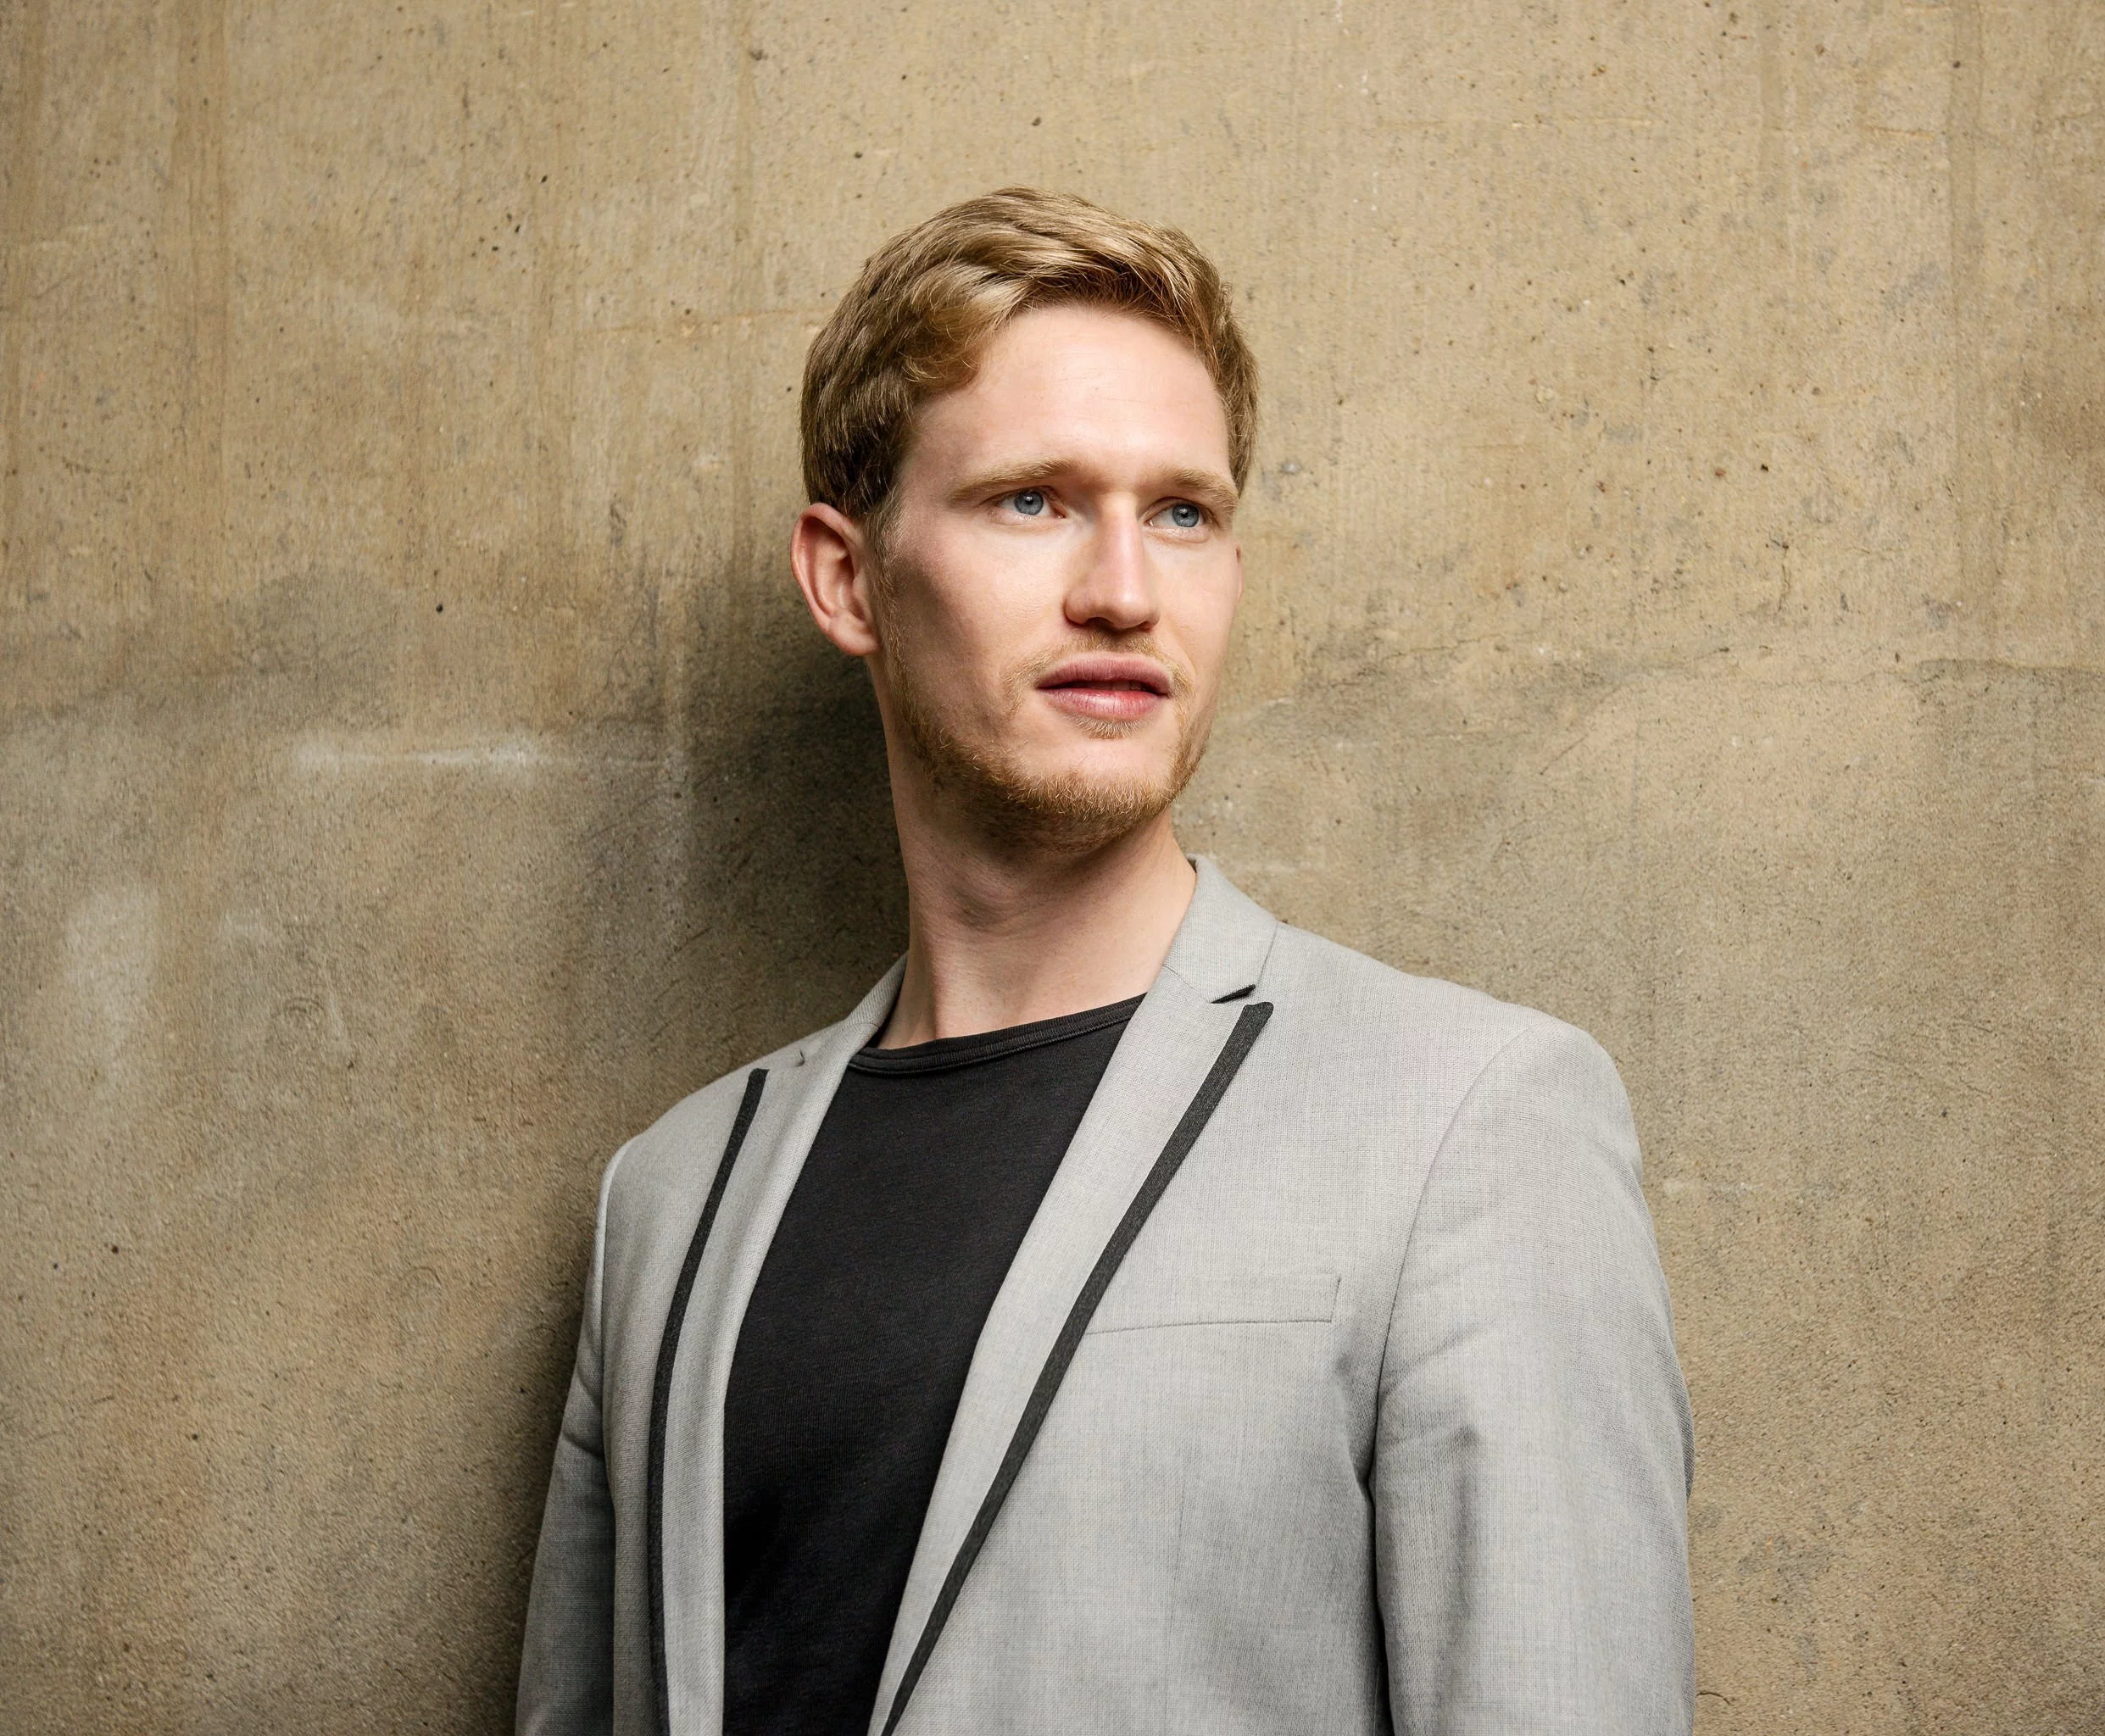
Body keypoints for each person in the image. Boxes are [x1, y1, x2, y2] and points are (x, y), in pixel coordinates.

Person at [515, 186, 1694, 1736]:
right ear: (846, 577)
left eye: (1184, 513)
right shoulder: (662, 1203)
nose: (1125, 592)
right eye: (1033, 501)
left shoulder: (1472, 1124)